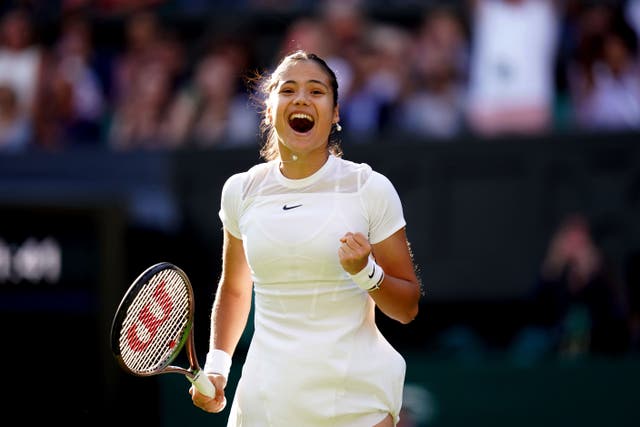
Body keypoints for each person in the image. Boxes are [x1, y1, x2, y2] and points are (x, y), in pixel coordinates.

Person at [189, 50, 422, 427]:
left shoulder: (369, 189)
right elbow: (234, 288)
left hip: (356, 406)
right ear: (269, 109)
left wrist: (367, 273)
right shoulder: (241, 191)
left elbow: (407, 307)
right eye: (288, 90)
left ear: (335, 114)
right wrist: (217, 368)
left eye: (316, 91)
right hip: (266, 405)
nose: (301, 98)